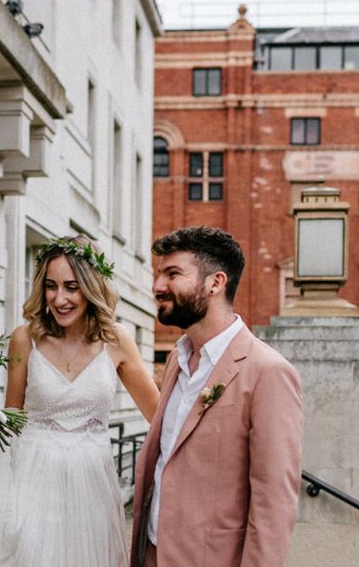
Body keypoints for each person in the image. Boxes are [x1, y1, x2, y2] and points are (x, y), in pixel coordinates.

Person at [0, 235, 159, 567]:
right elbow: (13, 416)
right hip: (32, 480)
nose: (60, 299)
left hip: (93, 486)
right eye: (51, 286)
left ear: (91, 287)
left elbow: (159, 417)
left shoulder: (116, 340)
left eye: (72, 287)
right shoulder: (24, 339)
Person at [131, 226, 303, 567]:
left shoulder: (268, 372)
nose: (157, 286)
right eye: (158, 274)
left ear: (215, 282)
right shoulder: (176, 361)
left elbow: (274, 505)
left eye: (172, 274)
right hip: (151, 553)